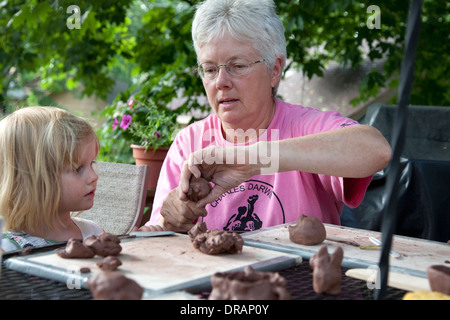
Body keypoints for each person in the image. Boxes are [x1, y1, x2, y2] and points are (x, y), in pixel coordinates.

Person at [142, 0, 392, 232]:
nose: (221, 82)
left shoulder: (304, 126)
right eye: (209, 69)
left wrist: (255, 159)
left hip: (300, 278)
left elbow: (376, 149)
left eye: (237, 66)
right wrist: (170, 219)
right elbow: (154, 238)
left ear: (274, 70)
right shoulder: (189, 142)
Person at [0, 107, 103, 252]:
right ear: (29, 180)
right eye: (77, 169)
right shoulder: (7, 249)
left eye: (92, 163)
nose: (94, 177)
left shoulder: (93, 233)